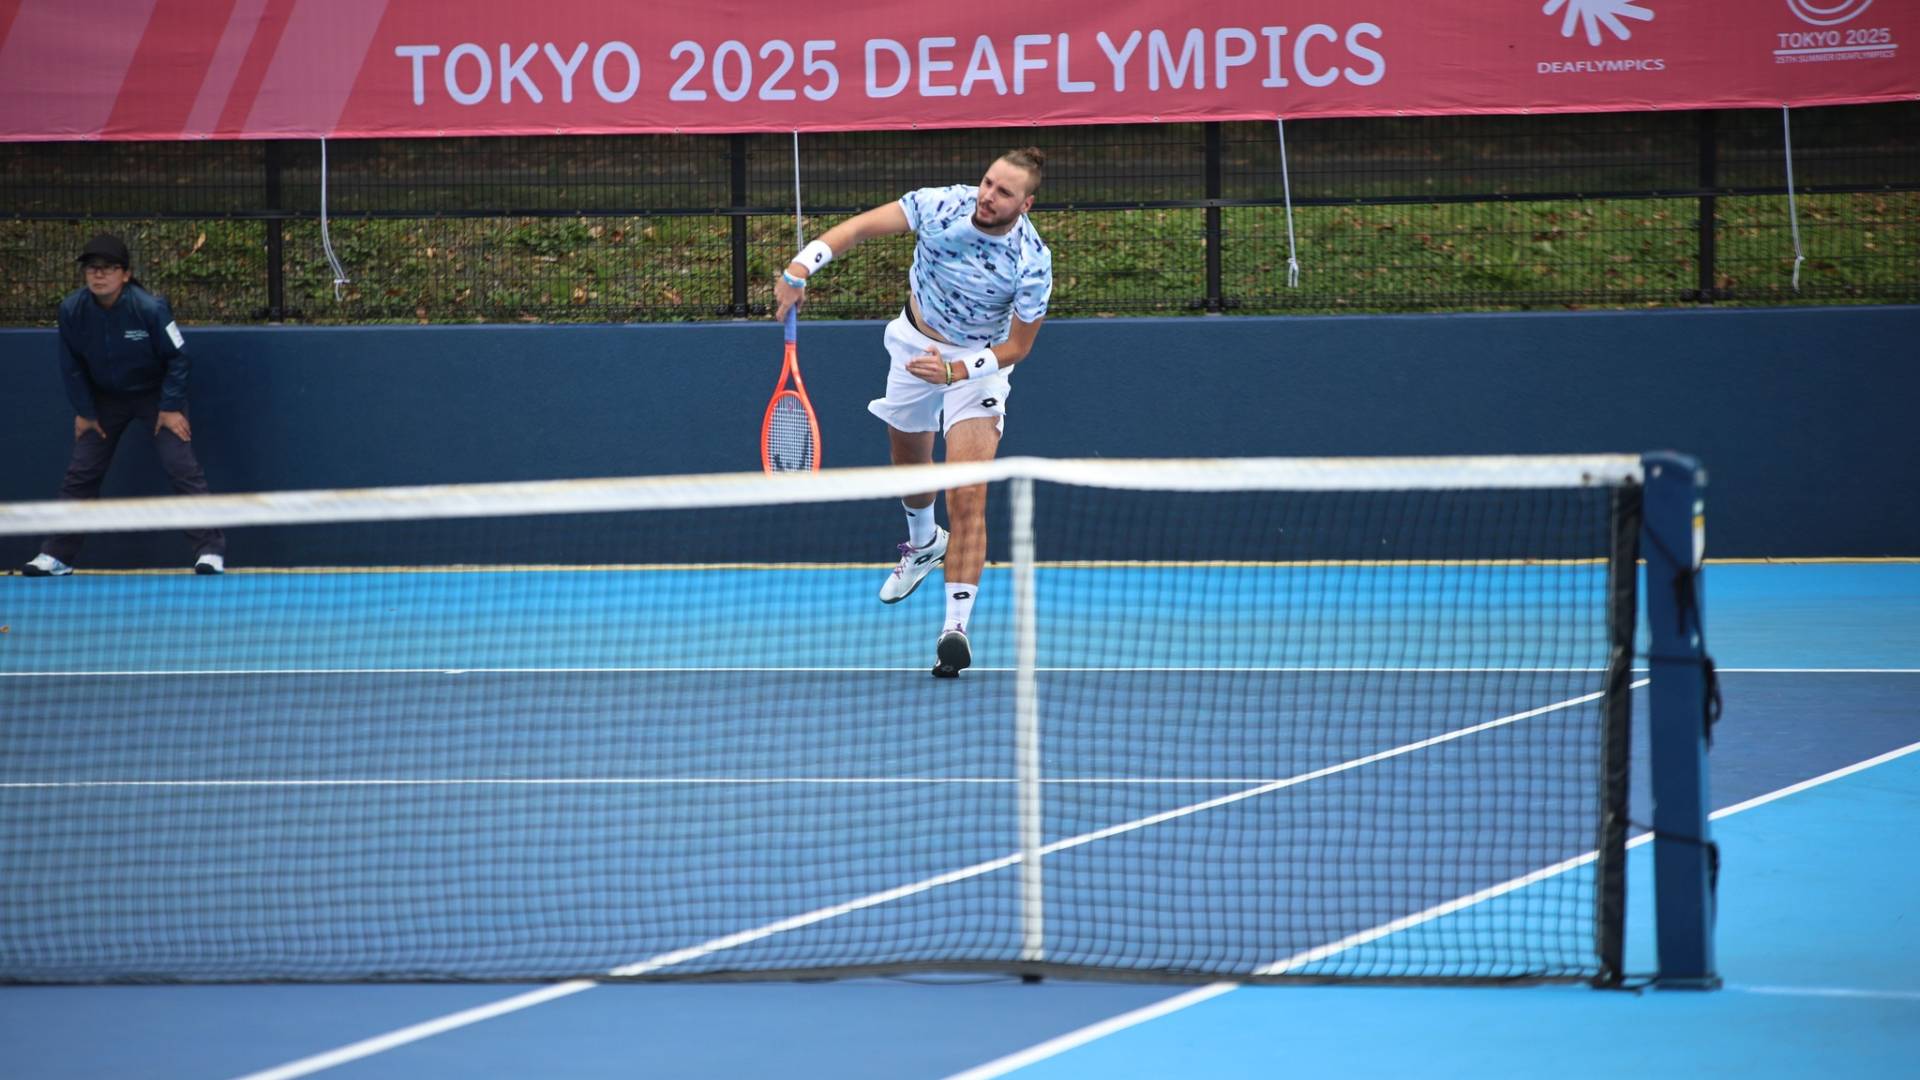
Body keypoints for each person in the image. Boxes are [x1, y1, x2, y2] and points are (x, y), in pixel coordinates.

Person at [774, 148, 1053, 678]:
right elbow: (856, 229)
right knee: (911, 471)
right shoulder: (941, 205)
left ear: (1026, 204)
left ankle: (955, 629)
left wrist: (956, 373)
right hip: (912, 345)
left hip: (978, 367)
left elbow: (1018, 347)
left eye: (1004, 193)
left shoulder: (1032, 261)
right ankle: (924, 544)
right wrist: (800, 267)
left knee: (967, 491)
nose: (989, 197)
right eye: (988, 183)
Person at [22, 233, 226, 577]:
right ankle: (57, 556)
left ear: (125, 274)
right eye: (92, 268)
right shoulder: (71, 310)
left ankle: (209, 551)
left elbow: (179, 358)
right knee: (81, 474)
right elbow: (71, 365)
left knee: (181, 467)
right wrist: (86, 412)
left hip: (157, 398)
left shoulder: (151, 307)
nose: (98, 275)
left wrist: (171, 405)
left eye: (108, 268)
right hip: (104, 402)